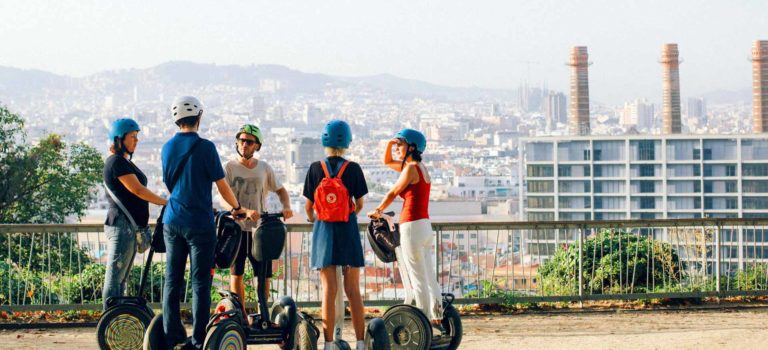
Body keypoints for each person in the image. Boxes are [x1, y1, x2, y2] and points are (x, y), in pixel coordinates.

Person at [160, 96, 255, 350]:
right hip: (199, 223)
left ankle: (172, 335)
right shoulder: (206, 148)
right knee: (200, 281)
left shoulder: (166, 148)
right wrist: (237, 208)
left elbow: (170, 184)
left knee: (172, 279)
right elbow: (222, 187)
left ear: (176, 119)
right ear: (198, 118)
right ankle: (198, 339)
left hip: (172, 220)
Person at [367, 128, 443, 326]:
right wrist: (390, 144)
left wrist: (378, 210)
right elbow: (387, 162)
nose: (398, 148)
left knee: (417, 277)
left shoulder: (410, 169)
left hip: (412, 227)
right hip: (425, 226)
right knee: (428, 275)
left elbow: (393, 192)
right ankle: (437, 316)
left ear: (412, 147)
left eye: (400, 145)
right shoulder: (420, 167)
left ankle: (423, 321)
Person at [303, 120, 367, 350]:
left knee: (329, 290)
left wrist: (317, 218)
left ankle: (328, 344)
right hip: (347, 230)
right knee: (353, 291)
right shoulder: (353, 169)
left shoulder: (314, 168)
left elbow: (308, 208)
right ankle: (360, 342)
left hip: (324, 232)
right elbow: (360, 204)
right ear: (347, 141)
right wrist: (348, 214)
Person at [220, 124, 294, 319]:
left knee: (264, 274)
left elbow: (281, 190)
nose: (244, 144)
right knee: (237, 273)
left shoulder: (264, 168)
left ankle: (263, 312)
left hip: (259, 230)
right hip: (237, 229)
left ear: (257, 146)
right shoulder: (229, 167)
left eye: (249, 142)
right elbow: (222, 197)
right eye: (241, 140)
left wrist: (286, 206)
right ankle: (240, 313)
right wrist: (242, 211)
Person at [102, 118, 167, 310]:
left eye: (137, 136)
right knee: (115, 279)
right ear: (119, 140)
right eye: (132, 137)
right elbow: (137, 190)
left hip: (128, 227)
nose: (136, 141)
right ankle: (108, 320)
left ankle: (117, 320)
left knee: (120, 280)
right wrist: (166, 202)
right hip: (122, 226)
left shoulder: (123, 162)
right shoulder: (116, 163)